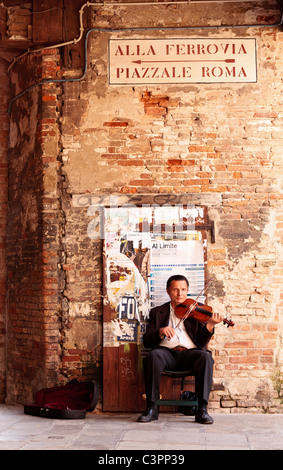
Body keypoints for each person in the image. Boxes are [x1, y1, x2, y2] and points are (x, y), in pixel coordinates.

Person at [138, 274, 224, 424]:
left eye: (183, 289)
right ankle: (151, 408)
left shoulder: (196, 311)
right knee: (154, 355)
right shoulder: (157, 312)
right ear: (168, 291)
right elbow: (147, 341)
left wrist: (210, 325)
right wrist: (160, 331)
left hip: (190, 355)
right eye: (175, 289)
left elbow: (202, 343)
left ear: (187, 290)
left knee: (205, 357)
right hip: (167, 355)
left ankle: (202, 410)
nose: (180, 293)